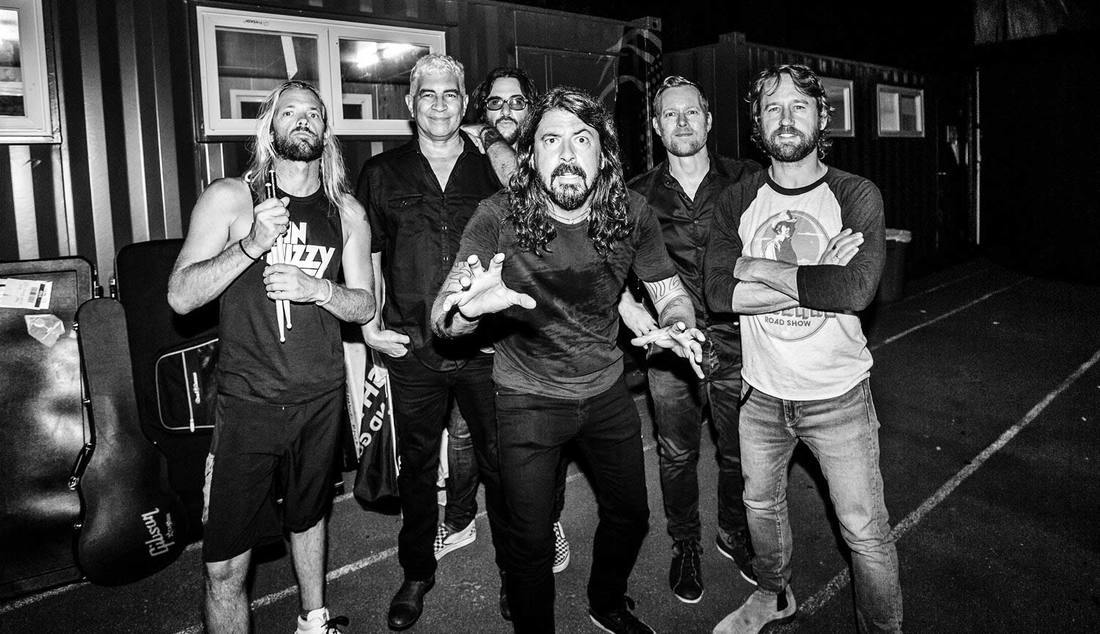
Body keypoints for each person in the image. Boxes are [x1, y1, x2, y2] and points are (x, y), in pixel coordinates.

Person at [431, 86, 704, 634]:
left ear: (603, 152)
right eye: (551, 140)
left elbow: (669, 290)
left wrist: (677, 322)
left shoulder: (631, 213)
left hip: (605, 392)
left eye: (582, 139)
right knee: (528, 540)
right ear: (530, 154)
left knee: (631, 516)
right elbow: (442, 318)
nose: (567, 154)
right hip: (526, 397)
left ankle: (606, 602)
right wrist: (467, 311)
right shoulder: (497, 216)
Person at [167, 80, 374, 634]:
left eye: (314, 113)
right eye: (290, 112)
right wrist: (251, 245)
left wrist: (318, 289)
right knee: (223, 564)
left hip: (320, 398)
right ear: (269, 127)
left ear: (325, 130)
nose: (303, 119)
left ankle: (314, 619)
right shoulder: (231, 198)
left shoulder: (347, 212)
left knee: (309, 517)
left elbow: (365, 304)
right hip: (249, 404)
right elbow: (180, 296)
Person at [704, 63, 902, 633]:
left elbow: (856, 290)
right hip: (761, 396)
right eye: (772, 107)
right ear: (757, 123)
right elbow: (717, 293)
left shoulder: (855, 194)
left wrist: (755, 267)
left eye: (799, 105)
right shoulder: (737, 200)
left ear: (821, 115)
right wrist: (814, 273)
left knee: (865, 532)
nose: (785, 118)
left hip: (838, 396)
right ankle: (773, 596)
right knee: (760, 508)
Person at [354, 53, 509, 630]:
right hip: (412, 346)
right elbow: (369, 256)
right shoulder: (382, 173)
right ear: (409, 104)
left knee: (502, 464)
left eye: (450, 94)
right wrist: (371, 329)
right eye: (427, 94)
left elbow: (521, 246)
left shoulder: (494, 170)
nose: (439, 104)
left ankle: (515, 571)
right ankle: (417, 572)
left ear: (464, 103)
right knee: (416, 467)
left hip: (486, 349)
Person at [619, 75, 761, 604]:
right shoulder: (635, 193)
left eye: (691, 112)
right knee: (677, 453)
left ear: (708, 119)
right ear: (657, 127)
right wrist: (627, 305)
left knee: (738, 451)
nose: (682, 122)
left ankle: (732, 531)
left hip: (740, 340)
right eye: (670, 114)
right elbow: (603, 260)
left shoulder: (748, 180)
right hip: (670, 348)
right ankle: (685, 543)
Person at [440, 66, 572, 575]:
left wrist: (490, 135)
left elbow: (518, 182)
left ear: (532, 107)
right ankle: (459, 519)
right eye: (495, 103)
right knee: (465, 434)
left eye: (517, 102)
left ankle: (549, 521)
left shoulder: (544, 153)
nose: (506, 111)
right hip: (481, 327)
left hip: (537, 326)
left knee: (545, 436)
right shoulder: (467, 158)